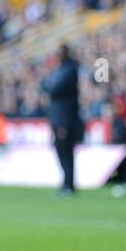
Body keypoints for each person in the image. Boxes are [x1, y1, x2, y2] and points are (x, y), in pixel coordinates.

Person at [41, 45, 82, 194]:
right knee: (62, 151)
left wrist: (48, 83)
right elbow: (45, 85)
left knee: (66, 151)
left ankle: (69, 184)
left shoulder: (69, 69)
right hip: (58, 119)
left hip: (64, 120)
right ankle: (66, 182)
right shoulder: (61, 70)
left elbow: (52, 88)